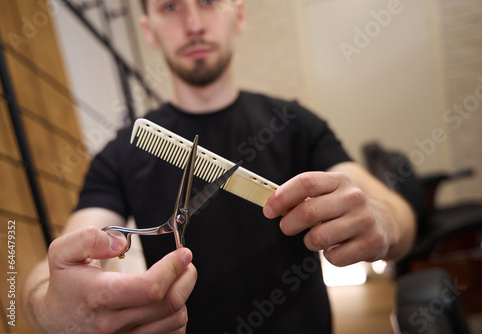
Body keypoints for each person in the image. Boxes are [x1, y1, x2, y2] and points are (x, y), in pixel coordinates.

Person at [22, 0, 416, 333]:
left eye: (208, 0)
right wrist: (47, 304)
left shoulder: (296, 125)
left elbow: (400, 219)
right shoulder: (120, 155)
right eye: (171, 6)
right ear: (149, 31)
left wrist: (383, 220)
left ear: (238, 15)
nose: (193, 24)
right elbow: (49, 273)